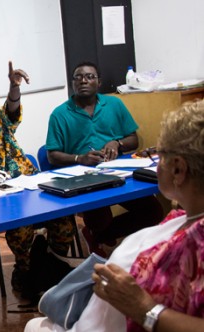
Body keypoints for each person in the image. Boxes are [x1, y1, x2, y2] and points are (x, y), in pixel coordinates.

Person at [24, 99, 204, 332]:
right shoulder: (184, 220)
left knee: (34, 329)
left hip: (114, 327)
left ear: (179, 170)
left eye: (158, 155)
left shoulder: (197, 245)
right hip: (97, 318)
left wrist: (144, 309)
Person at [0, 62, 75, 294]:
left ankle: (55, 266)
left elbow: (12, 107)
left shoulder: (0, 118)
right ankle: (25, 271)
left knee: (64, 222)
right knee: (21, 232)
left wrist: (14, 87)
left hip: (27, 184)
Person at [45, 61, 163, 256]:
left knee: (153, 212)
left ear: (99, 82)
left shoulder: (114, 104)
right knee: (100, 220)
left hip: (118, 171)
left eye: (90, 76)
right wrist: (79, 158)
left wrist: (117, 143)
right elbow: (52, 155)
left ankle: (97, 236)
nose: (84, 80)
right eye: (78, 77)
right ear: (73, 83)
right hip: (83, 175)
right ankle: (97, 232)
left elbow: (133, 140)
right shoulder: (59, 114)